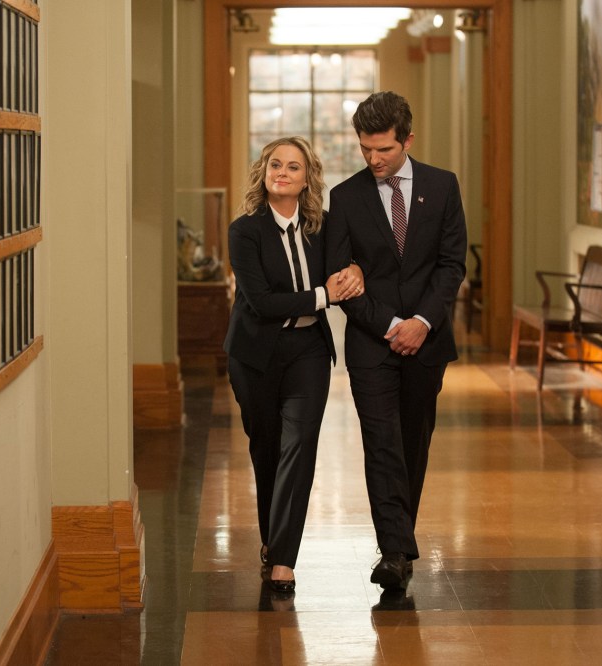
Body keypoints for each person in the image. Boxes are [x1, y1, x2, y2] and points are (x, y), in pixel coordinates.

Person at [325, 91, 467, 589]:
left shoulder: (443, 186)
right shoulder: (346, 197)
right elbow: (338, 277)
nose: (373, 159)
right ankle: (394, 552)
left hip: (428, 341)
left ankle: (398, 543)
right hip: (372, 342)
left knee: (412, 443)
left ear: (408, 140)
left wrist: (422, 322)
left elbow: (451, 265)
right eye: (365, 148)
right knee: (381, 441)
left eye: (383, 149)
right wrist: (389, 325)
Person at [224, 136, 364, 594]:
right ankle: (272, 540)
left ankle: (283, 560)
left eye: (293, 167)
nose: (282, 172)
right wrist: (325, 295)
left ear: (308, 179)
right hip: (256, 356)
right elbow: (262, 302)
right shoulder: (244, 231)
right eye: (275, 165)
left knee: (299, 446)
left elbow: (347, 267)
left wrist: (355, 272)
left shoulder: (321, 228)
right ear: (264, 173)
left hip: (308, 350)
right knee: (266, 450)